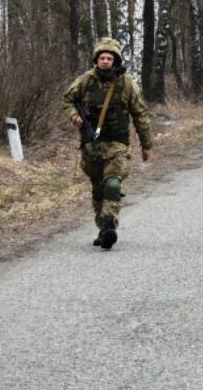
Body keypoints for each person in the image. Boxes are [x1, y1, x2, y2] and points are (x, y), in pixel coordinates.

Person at [62, 38, 153, 250]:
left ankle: (110, 224)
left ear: (115, 60)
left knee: (112, 183)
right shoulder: (85, 81)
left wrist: (146, 144)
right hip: (91, 146)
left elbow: (140, 114)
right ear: (96, 59)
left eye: (109, 58)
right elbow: (67, 99)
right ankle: (103, 229)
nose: (104, 61)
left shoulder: (127, 83)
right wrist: (75, 117)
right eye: (101, 57)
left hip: (117, 144)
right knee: (98, 189)